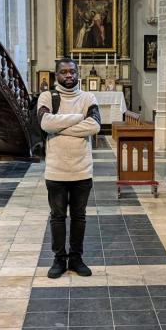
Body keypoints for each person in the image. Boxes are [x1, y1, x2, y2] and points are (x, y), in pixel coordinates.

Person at [38, 58, 101, 279]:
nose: (69, 76)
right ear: (57, 75)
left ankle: (76, 258)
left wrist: (60, 127)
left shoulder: (88, 97)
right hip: (56, 169)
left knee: (78, 216)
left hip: (82, 169)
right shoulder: (48, 97)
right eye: (64, 72)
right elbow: (45, 123)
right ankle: (58, 259)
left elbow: (94, 125)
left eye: (72, 72)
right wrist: (76, 119)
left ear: (77, 73)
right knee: (57, 217)